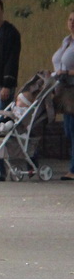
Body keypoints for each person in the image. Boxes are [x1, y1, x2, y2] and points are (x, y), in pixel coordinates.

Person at [51, 11, 74, 181]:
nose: (72, 22)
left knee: (72, 130)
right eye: (70, 19)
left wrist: (68, 72)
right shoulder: (66, 41)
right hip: (65, 91)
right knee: (68, 130)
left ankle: (73, 169)